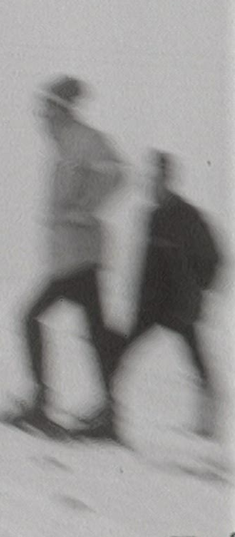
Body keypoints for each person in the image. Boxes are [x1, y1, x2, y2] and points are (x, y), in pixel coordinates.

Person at [11, 75, 125, 438]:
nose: (41, 116)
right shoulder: (61, 144)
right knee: (95, 334)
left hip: (81, 257)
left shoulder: (84, 139)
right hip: (70, 258)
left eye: (47, 108)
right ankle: (106, 414)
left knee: (30, 318)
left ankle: (44, 404)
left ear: (61, 109)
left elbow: (117, 172)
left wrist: (86, 208)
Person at [112, 151, 223, 438]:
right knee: (118, 354)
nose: (152, 184)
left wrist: (197, 292)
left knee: (198, 364)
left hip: (179, 306)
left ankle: (208, 424)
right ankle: (108, 412)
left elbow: (214, 258)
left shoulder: (189, 216)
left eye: (157, 178)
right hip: (151, 307)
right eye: (149, 179)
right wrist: (138, 301)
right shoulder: (153, 216)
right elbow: (147, 266)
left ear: (167, 179)